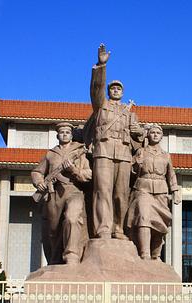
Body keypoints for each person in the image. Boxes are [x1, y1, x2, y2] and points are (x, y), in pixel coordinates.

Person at [86, 43, 145, 240]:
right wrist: (101, 66)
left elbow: (140, 137)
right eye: (113, 88)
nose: (116, 90)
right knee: (102, 190)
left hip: (123, 152)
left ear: (123, 92)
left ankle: (118, 228)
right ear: (109, 91)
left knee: (121, 193)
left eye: (119, 88)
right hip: (103, 150)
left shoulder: (130, 113)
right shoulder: (101, 105)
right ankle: (103, 228)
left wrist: (140, 132)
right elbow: (96, 87)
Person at [31, 122, 92, 265]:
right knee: (53, 230)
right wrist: (39, 181)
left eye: (67, 132)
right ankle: (55, 259)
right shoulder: (50, 154)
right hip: (54, 193)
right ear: (57, 135)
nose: (64, 134)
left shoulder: (79, 152)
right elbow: (37, 171)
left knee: (72, 218)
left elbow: (88, 175)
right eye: (62, 132)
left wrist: (73, 170)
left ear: (71, 135)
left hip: (74, 191)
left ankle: (72, 255)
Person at [125, 124, 181, 259]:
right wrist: (135, 165)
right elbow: (130, 172)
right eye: (152, 132)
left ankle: (155, 255)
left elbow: (170, 174)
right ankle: (145, 253)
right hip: (143, 188)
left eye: (158, 133)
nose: (155, 134)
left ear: (161, 136)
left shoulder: (166, 155)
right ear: (148, 135)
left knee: (161, 225)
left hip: (161, 191)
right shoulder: (141, 152)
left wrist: (175, 190)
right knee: (144, 217)